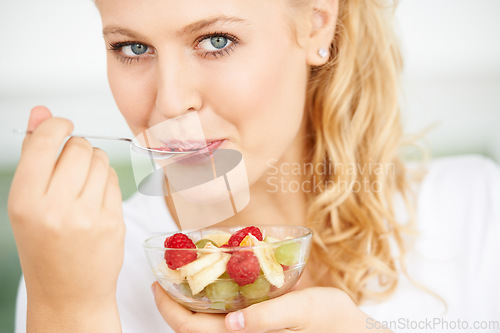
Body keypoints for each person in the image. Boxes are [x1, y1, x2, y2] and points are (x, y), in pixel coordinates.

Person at [8, 0, 500, 332]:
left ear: (315, 23)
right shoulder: (76, 269)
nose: (170, 102)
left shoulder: (478, 212)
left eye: (216, 41)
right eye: (132, 48)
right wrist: (69, 309)